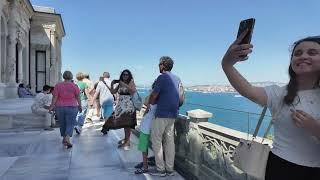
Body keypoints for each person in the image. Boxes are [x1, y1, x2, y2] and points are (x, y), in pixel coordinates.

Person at [221, 32, 320, 179]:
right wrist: (227, 64)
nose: (303, 56)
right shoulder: (279, 94)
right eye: (297, 53)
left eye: (312, 52)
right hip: (278, 167)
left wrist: (314, 127)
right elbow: (248, 90)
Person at [148, 56, 181, 177]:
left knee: (156, 140)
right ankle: (170, 169)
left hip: (162, 113)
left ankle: (161, 170)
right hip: (173, 114)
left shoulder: (162, 77)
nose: (158, 66)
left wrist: (150, 102)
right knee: (169, 142)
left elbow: (154, 95)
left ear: (162, 65)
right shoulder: (177, 78)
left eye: (159, 64)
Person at [103, 69, 137, 150]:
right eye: (124, 74)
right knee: (124, 123)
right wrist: (112, 84)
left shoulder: (131, 82)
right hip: (121, 106)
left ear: (129, 76)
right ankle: (126, 139)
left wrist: (125, 85)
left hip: (128, 106)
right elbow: (113, 92)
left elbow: (133, 91)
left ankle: (127, 142)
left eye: (127, 74)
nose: (125, 76)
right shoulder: (120, 83)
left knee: (128, 124)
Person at [49, 71, 81, 148]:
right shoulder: (74, 86)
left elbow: (55, 97)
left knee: (62, 123)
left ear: (63, 77)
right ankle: (67, 138)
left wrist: (51, 106)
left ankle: (64, 139)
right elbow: (78, 97)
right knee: (70, 123)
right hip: (72, 107)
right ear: (71, 77)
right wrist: (80, 106)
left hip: (60, 107)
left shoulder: (58, 85)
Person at [135, 81, 157, 174]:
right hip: (153, 124)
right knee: (154, 146)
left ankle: (145, 166)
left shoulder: (153, 95)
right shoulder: (163, 97)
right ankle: (146, 163)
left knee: (144, 147)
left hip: (147, 125)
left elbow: (146, 102)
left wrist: (152, 92)